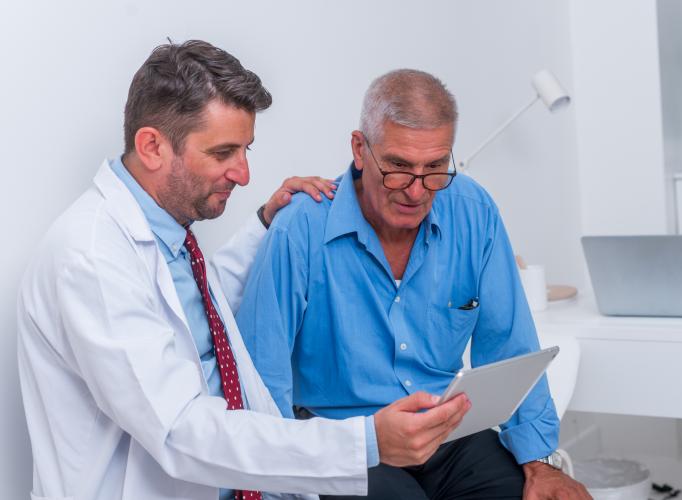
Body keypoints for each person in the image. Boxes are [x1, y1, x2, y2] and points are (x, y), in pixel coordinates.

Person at [17, 42, 470, 500]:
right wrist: (365, 442)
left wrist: (263, 224)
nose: (244, 173)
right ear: (152, 146)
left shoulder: (167, 238)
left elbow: (192, 317)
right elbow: (180, 431)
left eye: (245, 149)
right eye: (223, 153)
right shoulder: (90, 258)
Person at [235, 69, 591, 499]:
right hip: (345, 439)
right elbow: (261, 376)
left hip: (446, 430)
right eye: (399, 168)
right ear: (360, 149)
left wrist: (539, 462)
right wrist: (277, 483)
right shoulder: (301, 227)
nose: (417, 191)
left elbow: (510, 344)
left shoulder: (473, 212)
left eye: (435, 167)